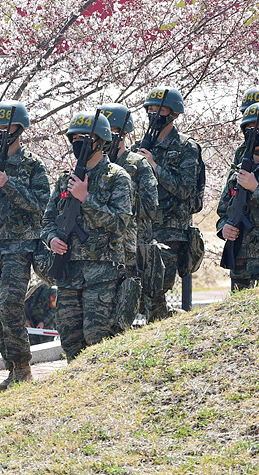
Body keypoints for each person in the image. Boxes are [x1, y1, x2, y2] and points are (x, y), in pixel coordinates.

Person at [41, 111, 132, 361]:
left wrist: (86, 198)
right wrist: (52, 240)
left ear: (102, 141)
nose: (79, 142)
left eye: (87, 137)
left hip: (101, 274)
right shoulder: (64, 180)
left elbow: (121, 223)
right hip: (68, 272)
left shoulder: (117, 178)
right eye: (75, 137)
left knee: (97, 339)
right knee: (70, 338)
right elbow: (47, 221)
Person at [0, 101, 51, 392]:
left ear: (19, 129)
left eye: (6, 128)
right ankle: (11, 368)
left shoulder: (33, 165)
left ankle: (23, 367)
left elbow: (40, 205)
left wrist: (9, 184)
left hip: (19, 246)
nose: (0, 133)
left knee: (9, 304)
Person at [137, 86, 204, 322]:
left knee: (156, 292)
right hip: (141, 231)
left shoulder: (187, 148)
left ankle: (170, 325)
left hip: (170, 232)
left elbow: (187, 191)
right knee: (139, 294)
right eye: (151, 109)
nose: (154, 114)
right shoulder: (141, 146)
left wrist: (155, 167)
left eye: (160, 109)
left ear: (174, 113)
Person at [99, 103, 159, 321]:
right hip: (99, 249)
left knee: (127, 308)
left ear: (124, 134)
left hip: (130, 248)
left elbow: (151, 207)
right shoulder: (94, 165)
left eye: (112, 131)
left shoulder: (137, 164)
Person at [217, 101, 259, 290]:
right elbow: (224, 211)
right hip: (240, 264)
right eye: (249, 129)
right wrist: (223, 229)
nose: (253, 134)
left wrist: (256, 189)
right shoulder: (239, 170)